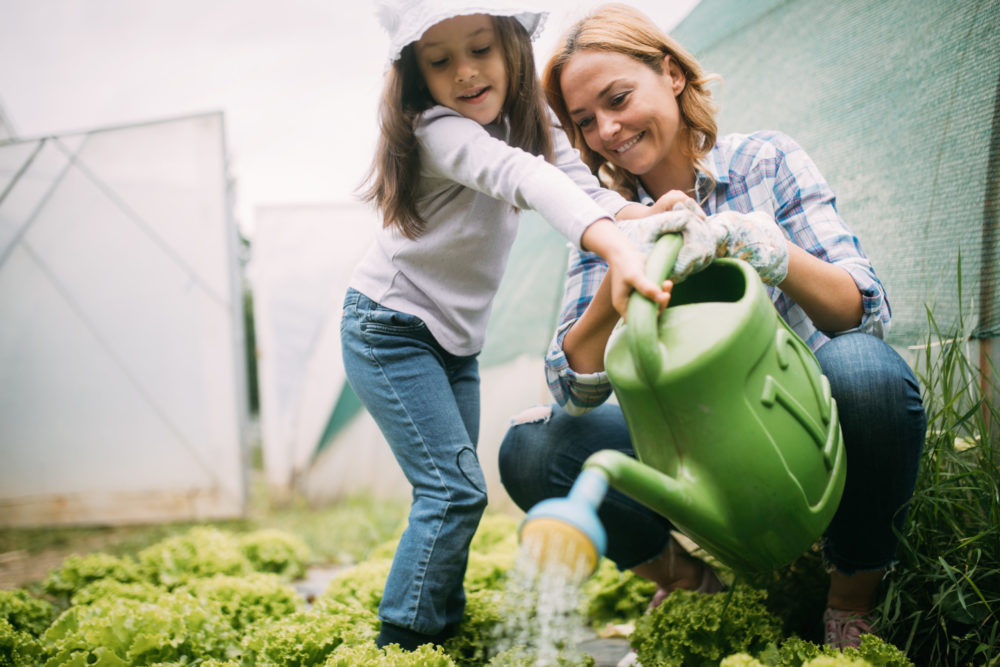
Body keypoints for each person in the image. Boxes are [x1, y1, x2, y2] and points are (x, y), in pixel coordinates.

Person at [497, 2, 927, 654]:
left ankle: (849, 600)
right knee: (532, 446)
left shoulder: (765, 162)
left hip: (794, 432)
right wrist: (613, 289)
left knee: (866, 370)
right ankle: (694, 584)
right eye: (585, 122)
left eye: (618, 99)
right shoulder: (603, 224)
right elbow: (573, 391)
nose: (607, 130)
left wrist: (769, 251)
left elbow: (864, 312)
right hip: (685, 449)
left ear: (669, 72)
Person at [342, 0, 675, 651]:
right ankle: (402, 643)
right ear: (418, 74)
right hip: (388, 331)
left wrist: (648, 218)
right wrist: (614, 248)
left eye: (479, 49)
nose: (465, 73)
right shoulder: (438, 130)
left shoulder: (529, 118)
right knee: (453, 489)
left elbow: (581, 187)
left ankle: (443, 631)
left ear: (512, 47)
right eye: (441, 61)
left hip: (452, 345)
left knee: (456, 494)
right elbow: (520, 175)